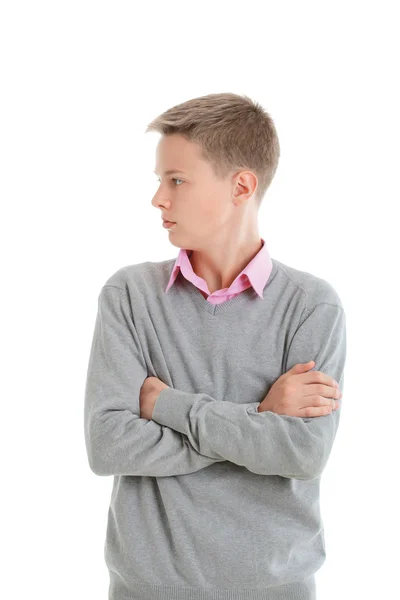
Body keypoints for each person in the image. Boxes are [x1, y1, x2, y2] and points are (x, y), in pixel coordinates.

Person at [84, 92, 346, 600]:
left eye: (176, 180)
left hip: (276, 590)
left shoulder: (314, 306)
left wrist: (165, 404)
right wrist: (260, 416)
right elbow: (109, 443)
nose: (158, 199)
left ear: (241, 186)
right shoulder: (130, 296)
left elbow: (301, 452)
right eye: (159, 180)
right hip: (145, 590)